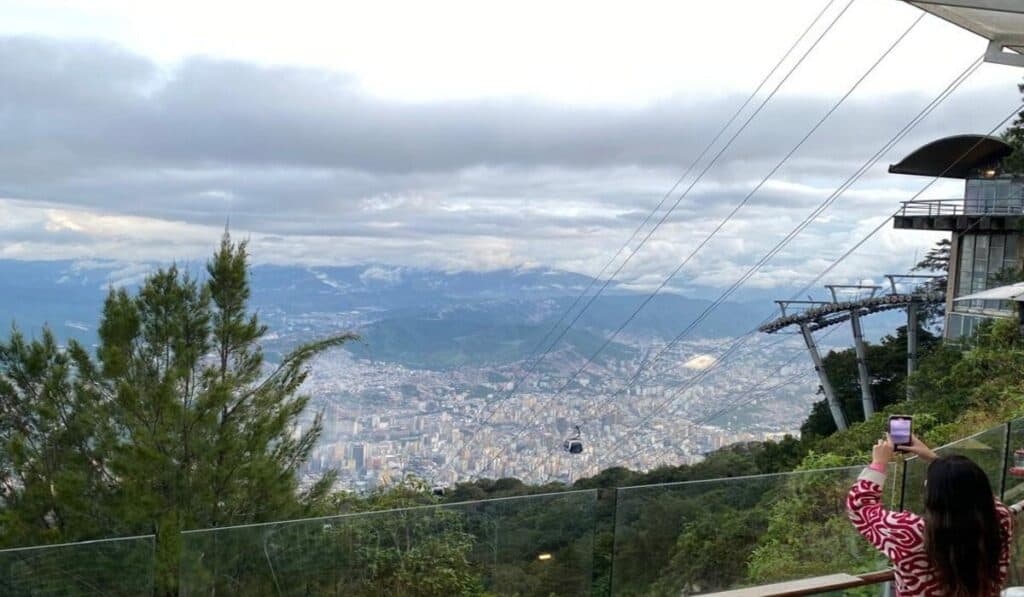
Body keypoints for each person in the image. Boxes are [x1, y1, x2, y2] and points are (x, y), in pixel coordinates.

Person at [847, 434, 1014, 597]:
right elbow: (976, 494)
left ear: (934, 494)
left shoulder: (911, 532)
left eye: (928, 481)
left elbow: (859, 507)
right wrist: (938, 462)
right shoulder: (999, 519)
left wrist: (879, 463)